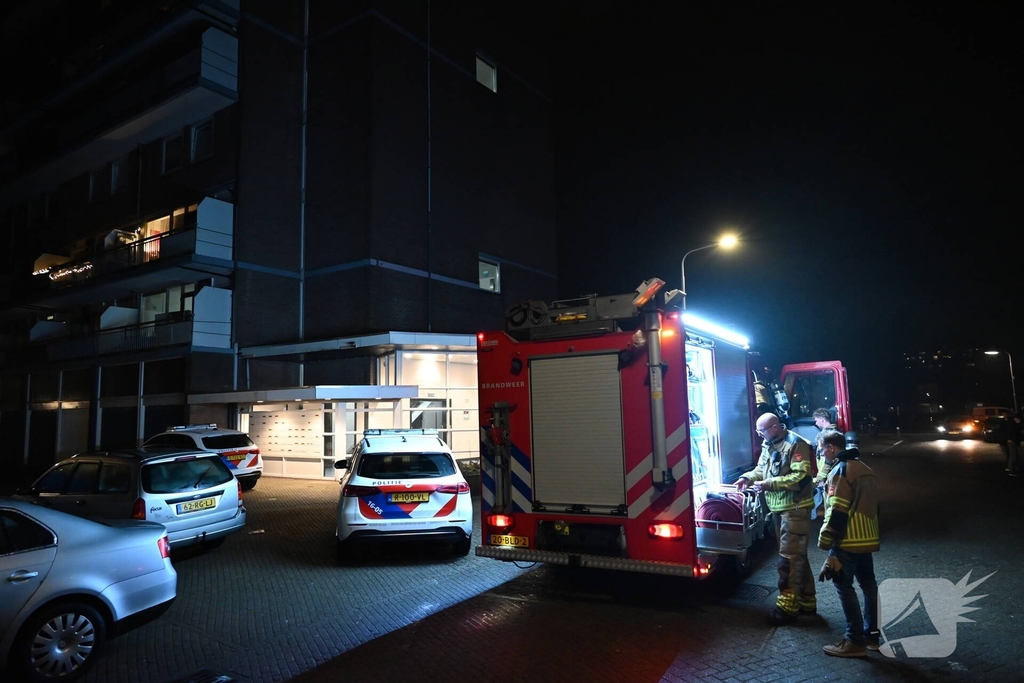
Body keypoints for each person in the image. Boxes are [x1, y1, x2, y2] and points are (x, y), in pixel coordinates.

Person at [736, 412, 817, 624]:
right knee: (797, 555)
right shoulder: (769, 444)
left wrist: (769, 484)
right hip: (780, 509)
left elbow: (801, 477)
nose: (759, 435)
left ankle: (786, 608)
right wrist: (747, 478)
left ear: (775, 427)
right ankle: (807, 600)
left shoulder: (796, 444)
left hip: (794, 509)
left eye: (761, 430)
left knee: (788, 559)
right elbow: (761, 469)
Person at [816, 428, 880, 658]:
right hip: (867, 538)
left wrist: (825, 540)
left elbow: (838, 511)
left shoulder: (841, 471)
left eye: (821, 450)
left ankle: (854, 641)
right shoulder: (865, 469)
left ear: (831, 447)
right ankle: (872, 636)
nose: (821, 454)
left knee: (843, 586)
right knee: (869, 586)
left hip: (847, 540)